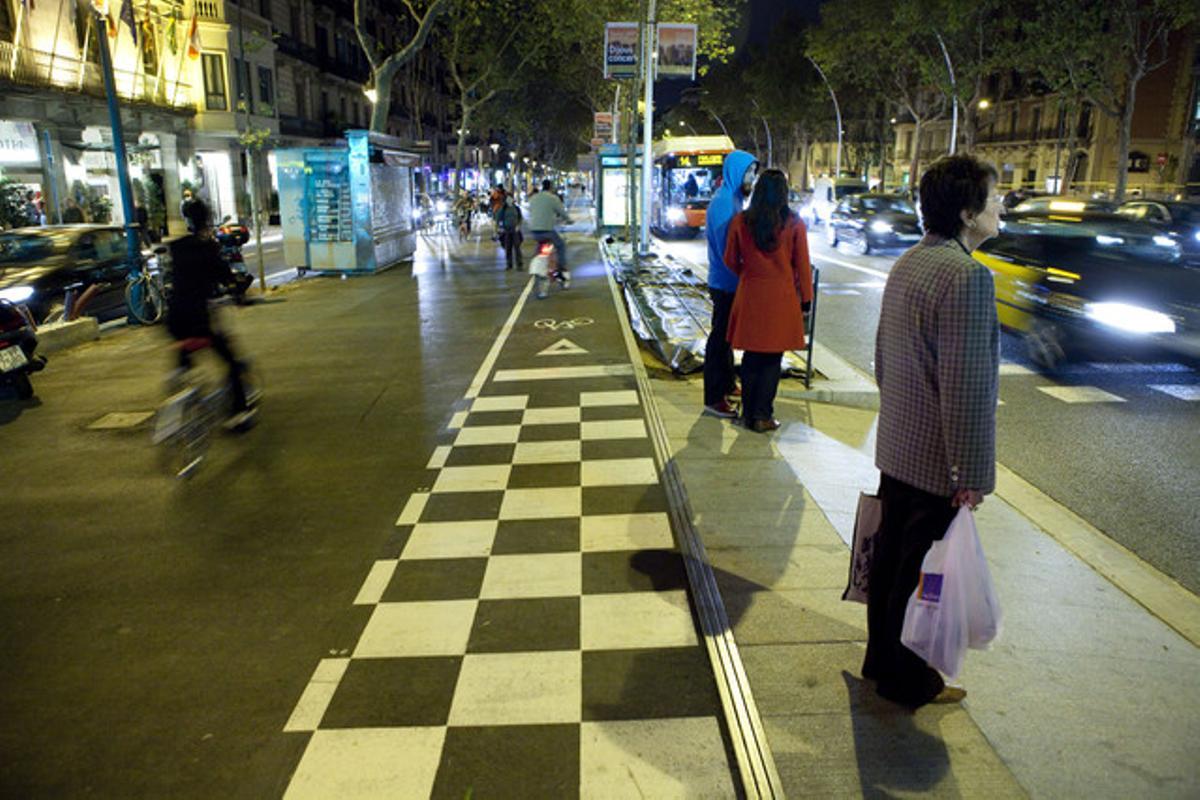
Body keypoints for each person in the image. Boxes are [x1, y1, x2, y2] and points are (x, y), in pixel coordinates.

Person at [863, 154, 1002, 709]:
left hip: (898, 446)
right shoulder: (967, 276)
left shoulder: (911, 262)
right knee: (923, 581)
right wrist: (971, 475)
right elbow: (966, 389)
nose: (1001, 208)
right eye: (995, 199)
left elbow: (881, 359)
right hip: (937, 461)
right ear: (968, 213)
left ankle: (881, 663)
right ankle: (908, 680)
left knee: (893, 561)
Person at [721, 169, 814, 433]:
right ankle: (763, 415)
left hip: (750, 295)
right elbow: (803, 265)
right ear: (784, 193)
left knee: (750, 357)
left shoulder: (741, 221)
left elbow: (730, 259)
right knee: (772, 360)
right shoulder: (794, 223)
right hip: (781, 299)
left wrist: (748, 275)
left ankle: (748, 413)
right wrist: (805, 299)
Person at [166, 198, 255, 429]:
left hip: (174, 319)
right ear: (206, 220)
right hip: (198, 319)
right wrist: (240, 296)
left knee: (183, 347)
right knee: (232, 363)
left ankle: (180, 374)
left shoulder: (176, 248)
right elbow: (226, 277)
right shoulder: (209, 249)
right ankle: (238, 415)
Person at [703, 149, 758, 418]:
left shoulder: (733, 198)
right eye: (749, 172)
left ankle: (725, 384)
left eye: (754, 172)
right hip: (725, 282)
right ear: (736, 171)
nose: (752, 177)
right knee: (719, 339)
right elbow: (729, 249)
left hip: (728, 281)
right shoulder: (725, 202)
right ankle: (714, 398)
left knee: (725, 338)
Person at [527, 178, 571, 290]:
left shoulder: (534, 198)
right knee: (560, 246)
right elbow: (561, 212)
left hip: (534, 231)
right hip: (548, 231)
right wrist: (569, 220)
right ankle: (561, 269)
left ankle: (538, 261)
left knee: (539, 246)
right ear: (551, 187)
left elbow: (531, 211)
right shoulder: (553, 198)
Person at [495, 193, 523, 271]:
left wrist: (518, 225)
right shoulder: (503, 209)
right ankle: (509, 264)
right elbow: (498, 219)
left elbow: (520, 218)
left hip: (515, 230)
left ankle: (519, 264)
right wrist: (499, 228)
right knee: (508, 248)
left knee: (517, 247)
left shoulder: (516, 208)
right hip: (506, 230)